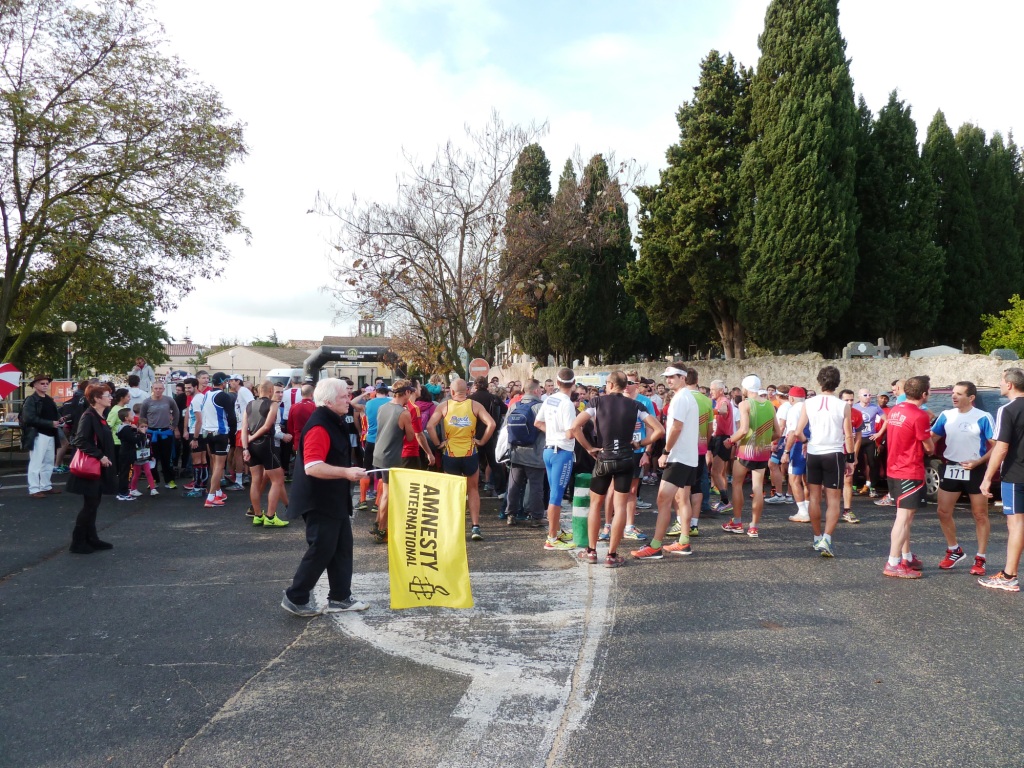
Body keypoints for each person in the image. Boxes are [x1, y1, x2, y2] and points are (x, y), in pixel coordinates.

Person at [281, 378, 370, 616]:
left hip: (333, 497)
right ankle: (295, 597)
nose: (349, 400)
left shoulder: (333, 419)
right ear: (329, 400)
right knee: (321, 548)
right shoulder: (320, 425)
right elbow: (312, 466)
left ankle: (340, 597)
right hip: (319, 499)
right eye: (344, 396)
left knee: (341, 547)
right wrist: (346, 472)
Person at [569, 371, 665, 568]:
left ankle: (591, 551)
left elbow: (575, 427)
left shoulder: (596, 403)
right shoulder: (636, 405)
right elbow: (660, 430)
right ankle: (612, 555)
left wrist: (589, 448)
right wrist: (640, 443)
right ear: (624, 386)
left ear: (610, 384)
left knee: (595, 504)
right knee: (621, 506)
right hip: (625, 458)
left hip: (604, 457)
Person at [786, 366, 853, 557]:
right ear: (837, 383)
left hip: (814, 453)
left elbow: (797, 432)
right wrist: (851, 459)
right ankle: (827, 538)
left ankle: (816, 537)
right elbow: (848, 435)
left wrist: (807, 443)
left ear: (819, 381)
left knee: (814, 498)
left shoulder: (809, 403)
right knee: (833, 500)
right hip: (834, 454)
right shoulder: (843, 406)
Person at [633, 364, 697, 560]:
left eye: (673, 377)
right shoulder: (688, 397)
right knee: (682, 500)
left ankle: (655, 546)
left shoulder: (680, 399)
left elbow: (677, 427)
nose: (669, 380)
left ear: (683, 377)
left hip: (678, 458)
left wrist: (666, 452)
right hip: (689, 457)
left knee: (663, 500)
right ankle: (684, 541)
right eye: (667, 377)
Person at [931, 381, 995, 575]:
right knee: (943, 511)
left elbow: (996, 446)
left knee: (980, 515)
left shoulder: (983, 417)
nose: (954, 396)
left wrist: (978, 462)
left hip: (975, 469)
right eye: (953, 393)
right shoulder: (946, 416)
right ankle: (954, 550)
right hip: (951, 467)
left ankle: (980, 558)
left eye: (959, 393)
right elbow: (930, 439)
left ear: (971, 398)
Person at [425, 378, 497, 542]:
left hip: (450, 453)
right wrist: (482, 441)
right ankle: (475, 527)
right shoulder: (474, 405)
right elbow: (491, 424)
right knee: (472, 490)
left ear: (451, 392)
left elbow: (430, 426)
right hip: (469, 452)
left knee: (451, 492)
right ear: (468, 391)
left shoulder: (444, 406)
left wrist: (438, 444)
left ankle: (453, 528)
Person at [882, 375, 934, 579]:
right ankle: (893, 563)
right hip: (909, 470)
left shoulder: (896, 409)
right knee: (903, 519)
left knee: (906, 518)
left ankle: (906, 556)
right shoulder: (919, 415)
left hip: (894, 469)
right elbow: (928, 446)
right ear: (923, 394)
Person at [978, 367, 1024, 592]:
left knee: (1015, 524)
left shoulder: (1007, 410)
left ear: (1010, 385)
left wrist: (987, 478)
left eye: (1001, 381)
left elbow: (1001, 447)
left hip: (1016, 475)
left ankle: (1009, 576)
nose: (999, 384)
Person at [371, 380, 433, 544]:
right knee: (388, 494)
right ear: (406, 393)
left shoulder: (383, 407)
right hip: (391, 455)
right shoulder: (404, 412)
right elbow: (411, 436)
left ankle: (378, 524)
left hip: (379, 452)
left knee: (384, 491)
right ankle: (381, 530)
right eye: (410, 392)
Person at [722, 375, 779, 539]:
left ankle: (738, 522)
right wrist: (764, 441)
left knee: (737, 484)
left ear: (746, 389)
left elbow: (744, 429)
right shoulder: (769, 405)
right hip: (762, 452)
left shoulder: (745, 404)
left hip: (746, 451)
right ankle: (753, 527)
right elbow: (778, 432)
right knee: (758, 488)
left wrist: (730, 441)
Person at [66, 384, 117, 554]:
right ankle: (78, 542)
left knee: (94, 504)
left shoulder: (99, 415)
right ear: (96, 398)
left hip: (99, 468)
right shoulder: (88, 416)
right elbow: (80, 440)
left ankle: (91, 538)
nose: (111, 398)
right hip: (91, 468)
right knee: (90, 504)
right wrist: (100, 456)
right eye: (107, 395)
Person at [535, 368, 578, 551]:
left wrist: (552, 433)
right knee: (556, 495)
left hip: (549, 449)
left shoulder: (550, 398)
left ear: (557, 383)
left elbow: (538, 422)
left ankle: (556, 531)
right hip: (562, 452)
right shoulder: (567, 404)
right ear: (573, 384)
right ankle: (552, 538)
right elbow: (570, 432)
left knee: (554, 492)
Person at [504, 379, 551, 537]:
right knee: (536, 486)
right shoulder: (541, 407)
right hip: (535, 453)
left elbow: (505, 429)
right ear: (537, 391)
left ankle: (511, 515)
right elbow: (548, 429)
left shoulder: (514, 406)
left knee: (514, 484)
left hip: (516, 452)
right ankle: (536, 517)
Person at [242, 381, 289, 528]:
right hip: (265, 444)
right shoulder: (273, 404)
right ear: (270, 390)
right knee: (277, 480)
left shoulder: (249, 405)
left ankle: (257, 515)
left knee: (255, 480)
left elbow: (244, 428)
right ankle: (270, 516)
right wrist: (254, 437)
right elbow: (267, 426)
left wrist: (245, 447)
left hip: (251, 446)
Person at [22, 374, 63, 498]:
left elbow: (53, 414)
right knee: (36, 462)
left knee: (48, 462)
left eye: (46, 383)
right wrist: (51, 423)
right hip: (38, 434)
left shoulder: (49, 399)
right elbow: (29, 418)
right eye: (42, 383)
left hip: (50, 433)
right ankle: (34, 489)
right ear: (34, 385)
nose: (45, 385)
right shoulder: (31, 400)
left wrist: (59, 419)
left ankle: (46, 486)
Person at [199, 372, 235, 508]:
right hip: (220, 433)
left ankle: (218, 491)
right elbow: (231, 417)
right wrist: (231, 435)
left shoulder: (206, 394)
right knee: (220, 465)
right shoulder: (223, 396)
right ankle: (211, 497)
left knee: (215, 464)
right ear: (223, 382)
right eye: (226, 381)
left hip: (208, 432)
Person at [140, 381, 181, 491]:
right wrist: (143, 429)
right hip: (151, 433)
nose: (158, 390)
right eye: (156, 388)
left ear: (163, 389)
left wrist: (174, 425)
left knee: (166, 458)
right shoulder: (146, 402)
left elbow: (176, 412)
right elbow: (142, 417)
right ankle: (154, 480)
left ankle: (169, 480)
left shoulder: (169, 400)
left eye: (160, 388)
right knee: (152, 458)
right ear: (152, 388)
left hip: (165, 432)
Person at [781, 386, 810, 522]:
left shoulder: (794, 409)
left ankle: (803, 512)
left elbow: (793, 432)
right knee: (807, 480)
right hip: (813, 445)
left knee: (794, 479)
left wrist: (786, 451)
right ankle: (808, 509)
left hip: (799, 445)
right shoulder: (810, 406)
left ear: (791, 398)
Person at [708, 379, 734, 514]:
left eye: (712, 389)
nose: (710, 391)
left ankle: (726, 502)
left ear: (720, 390)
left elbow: (723, 410)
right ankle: (724, 501)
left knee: (715, 472)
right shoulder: (719, 401)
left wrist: (710, 411)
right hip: (718, 438)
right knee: (719, 472)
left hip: (722, 439)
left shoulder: (723, 401)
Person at [854, 389, 886, 498]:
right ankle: (853, 487)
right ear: (859, 396)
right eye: (865, 395)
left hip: (870, 439)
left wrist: (879, 433)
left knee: (873, 464)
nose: (868, 396)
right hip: (857, 439)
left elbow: (886, 420)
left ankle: (873, 488)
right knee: (854, 462)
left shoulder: (875, 407)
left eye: (869, 395)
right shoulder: (854, 407)